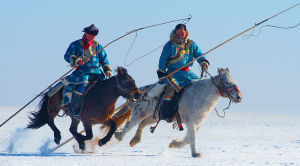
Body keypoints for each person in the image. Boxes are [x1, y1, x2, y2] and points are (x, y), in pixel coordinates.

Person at [157, 24, 209, 122]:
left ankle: (196, 111)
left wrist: (203, 62)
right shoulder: (170, 45)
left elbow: (199, 54)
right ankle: (166, 113)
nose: (181, 33)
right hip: (173, 74)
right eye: (179, 31)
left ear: (186, 32)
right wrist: (162, 73)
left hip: (188, 73)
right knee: (170, 89)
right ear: (175, 32)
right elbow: (162, 60)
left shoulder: (191, 44)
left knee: (200, 86)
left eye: (183, 31)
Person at [61, 24, 112, 117]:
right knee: (82, 85)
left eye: (94, 35)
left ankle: (104, 110)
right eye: (91, 34)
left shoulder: (98, 46)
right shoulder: (75, 44)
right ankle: (74, 108)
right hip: (82, 72)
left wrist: (107, 69)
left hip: (98, 73)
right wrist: (76, 60)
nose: (93, 37)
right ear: (86, 33)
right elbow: (67, 55)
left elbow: (104, 58)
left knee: (107, 87)